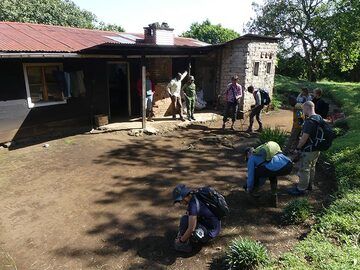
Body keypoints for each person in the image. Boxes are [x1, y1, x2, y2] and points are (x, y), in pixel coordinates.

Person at [172, 184, 221, 253]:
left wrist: (181, 240)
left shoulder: (193, 206)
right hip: (212, 222)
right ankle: (185, 238)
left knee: (189, 226)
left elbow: (191, 229)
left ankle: (184, 245)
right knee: (186, 219)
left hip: (211, 231)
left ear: (185, 197)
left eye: (180, 201)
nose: (180, 203)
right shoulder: (196, 195)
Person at [244, 141, 293, 207]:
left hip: (276, 168)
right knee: (271, 174)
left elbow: (251, 176)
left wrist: (249, 187)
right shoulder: (266, 152)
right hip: (288, 165)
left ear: (248, 153)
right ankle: (274, 196)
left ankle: (254, 196)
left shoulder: (252, 158)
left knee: (256, 173)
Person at [288, 101, 321, 196]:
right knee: (312, 167)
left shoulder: (309, 121)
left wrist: (298, 148)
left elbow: (304, 138)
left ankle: (301, 189)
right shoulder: (319, 118)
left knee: (304, 169)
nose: (303, 112)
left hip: (309, 149)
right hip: (317, 148)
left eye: (303, 109)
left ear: (307, 108)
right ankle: (310, 185)